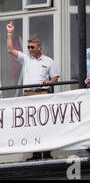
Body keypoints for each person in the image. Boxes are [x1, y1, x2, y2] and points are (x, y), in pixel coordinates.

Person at [6, 21, 60, 160]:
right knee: (32, 125)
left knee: (45, 125)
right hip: (28, 94)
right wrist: (10, 33)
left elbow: (55, 78)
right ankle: (36, 153)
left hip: (42, 94)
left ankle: (47, 153)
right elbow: (10, 50)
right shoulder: (26, 59)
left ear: (39, 47)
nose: (29, 49)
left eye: (32, 47)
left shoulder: (48, 61)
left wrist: (47, 82)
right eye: (28, 47)